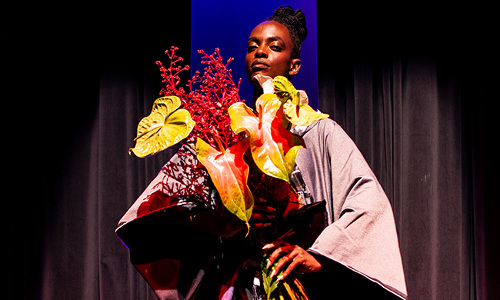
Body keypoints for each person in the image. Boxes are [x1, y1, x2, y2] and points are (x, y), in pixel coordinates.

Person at [117, 5, 407, 300]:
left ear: (293, 65)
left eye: (274, 46)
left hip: (298, 281)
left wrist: (323, 255)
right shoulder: (224, 129)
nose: (260, 52)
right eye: (252, 46)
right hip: (238, 279)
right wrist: (227, 219)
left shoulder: (317, 131)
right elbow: (167, 203)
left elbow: (367, 202)